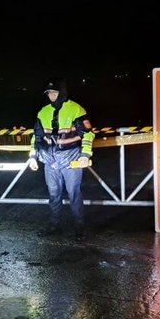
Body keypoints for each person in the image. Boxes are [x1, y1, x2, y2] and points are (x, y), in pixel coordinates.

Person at [27, 76, 95, 241]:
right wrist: (32, 156)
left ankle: (79, 228)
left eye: (54, 92)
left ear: (62, 92)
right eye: (49, 93)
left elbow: (88, 133)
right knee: (53, 194)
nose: (51, 95)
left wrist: (85, 154)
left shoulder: (76, 109)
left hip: (71, 160)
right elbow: (36, 137)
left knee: (74, 194)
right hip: (50, 161)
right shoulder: (43, 112)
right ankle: (54, 225)